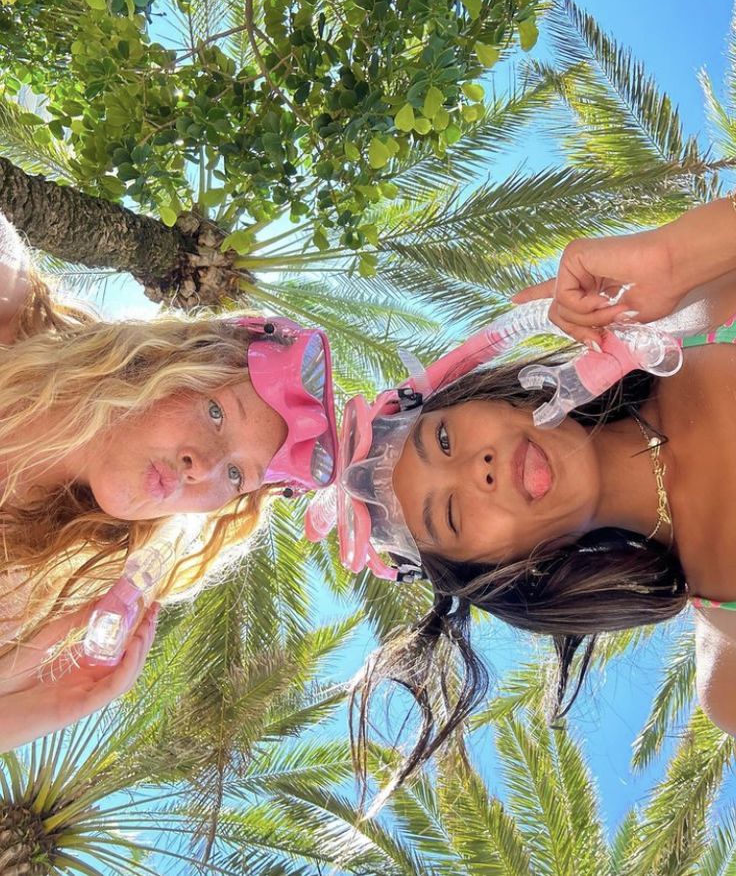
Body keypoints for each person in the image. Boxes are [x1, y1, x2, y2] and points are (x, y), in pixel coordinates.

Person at [310, 193, 736, 797]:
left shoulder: (699, 297)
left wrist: (675, 256)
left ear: (488, 396)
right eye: (452, 514)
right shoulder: (730, 681)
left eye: (447, 438)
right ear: (506, 570)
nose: (477, 471)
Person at [0, 211, 337, 750]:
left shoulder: (20, 589)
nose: (199, 466)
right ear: (165, 361)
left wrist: (54, 702)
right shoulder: (7, 297)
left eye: (234, 475)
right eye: (216, 413)